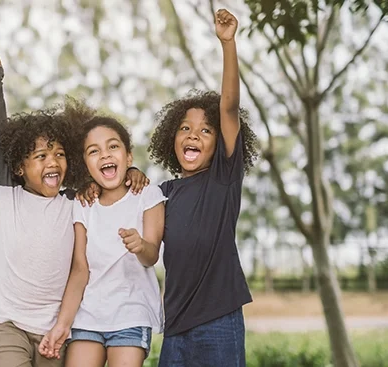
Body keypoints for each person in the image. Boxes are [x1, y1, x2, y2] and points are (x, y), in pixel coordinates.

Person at [0, 54, 149, 367]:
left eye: (59, 154)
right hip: (7, 321)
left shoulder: (75, 201)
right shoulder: (5, 194)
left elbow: (105, 171)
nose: (52, 161)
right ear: (19, 166)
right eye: (40, 156)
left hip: (54, 327)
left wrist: (131, 170)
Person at [147, 9, 258, 366]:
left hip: (219, 322)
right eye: (184, 128)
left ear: (217, 144)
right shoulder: (162, 193)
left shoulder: (223, 180)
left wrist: (228, 44)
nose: (193, 134)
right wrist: (133, 175)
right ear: (171, 139)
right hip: (176, 326)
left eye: (205, 130)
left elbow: (228, 107)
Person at [39, 111, 165, 367]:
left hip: (131, 314)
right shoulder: (83, 204)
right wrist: (61, 326)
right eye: (94, 151)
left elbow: (151, 256)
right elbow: (79, 270)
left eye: (113, 146)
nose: (105, 154)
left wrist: (140, 246)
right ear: (85, 164)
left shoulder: (148, 194)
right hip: (88, 317)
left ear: (128, 156)